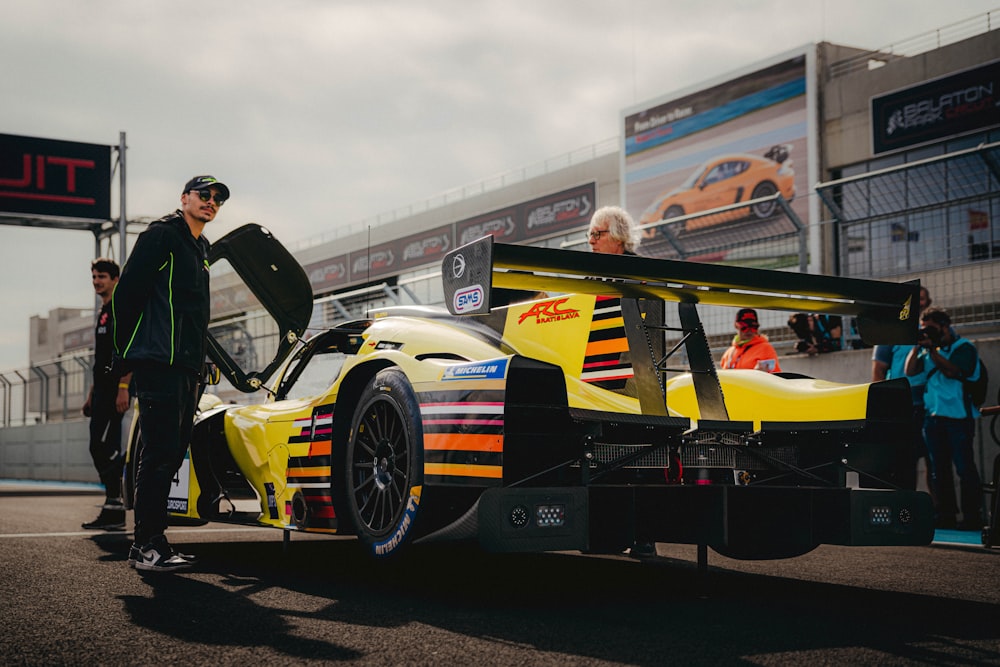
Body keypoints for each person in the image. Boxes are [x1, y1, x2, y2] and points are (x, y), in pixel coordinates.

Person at [113, 175, 229, 572]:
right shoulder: (162, 235)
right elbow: (127, 293)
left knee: (173, 451)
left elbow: (194, 314)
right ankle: (147, 545)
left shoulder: (201, 247)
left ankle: (150, 543)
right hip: (158, 361)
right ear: (184, 198)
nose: (211, 201)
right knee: (159, 453)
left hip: (186, 367)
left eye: (218, 199)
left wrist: (202, 362)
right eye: (204, 194)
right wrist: (124, 355)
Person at [905, 307, 984, 530]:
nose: (927, 332)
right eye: (923, 328)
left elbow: (953, 371)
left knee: (964, 468)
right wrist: (916, 345)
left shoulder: (964, 348)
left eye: (930, 328)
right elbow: (910, 371)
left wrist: (933, 352)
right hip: (933, 417)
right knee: (939, 469)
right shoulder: (927, 350)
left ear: (944, 326)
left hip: (959, 417)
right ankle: (946, 514)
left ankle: (972, 517)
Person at [870, 286, 941, 494]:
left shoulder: (933, 329)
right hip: (902, 406)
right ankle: (907, 506)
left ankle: (937, 510)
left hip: (932, 406)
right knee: (904, 461)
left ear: (928, 302)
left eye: (922, 299)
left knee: (934, 462)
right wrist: (883, 406)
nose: (918, 303)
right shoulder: (890, 331)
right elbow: (879, 372)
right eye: (914, 300)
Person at [81, 258, 132, 530]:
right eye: (94, 277)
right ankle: (114, 507)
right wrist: (91, 394)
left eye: (101, 277)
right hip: (101, 390)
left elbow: (128, 351)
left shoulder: (120, 309)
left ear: (114, 279)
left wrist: (124, 387)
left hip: (116, 391)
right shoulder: (103, 312)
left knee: (103, 447)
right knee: (101, 447)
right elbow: (100, 358)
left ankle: (118, 501)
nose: (96, 281)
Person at [720, 308, 781, 372]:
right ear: (736, 326)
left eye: (753, 327)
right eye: (744, 327)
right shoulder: (729, 353)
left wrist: (759, 375)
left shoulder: (765, 348)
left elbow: (776, 375)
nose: (749, 331)